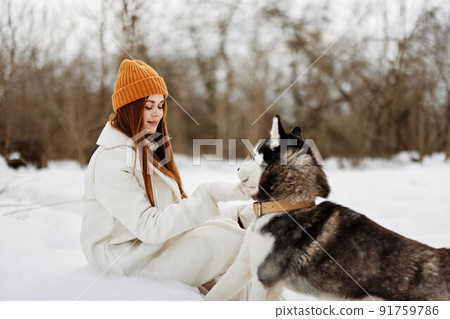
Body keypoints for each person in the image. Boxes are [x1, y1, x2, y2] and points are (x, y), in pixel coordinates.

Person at [80, 59, 253, 299]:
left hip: (153, 249)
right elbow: (150, 227)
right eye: (148, 106)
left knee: (235, 233)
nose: (157, 113)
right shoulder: (112, 160)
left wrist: (237, 214)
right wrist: (210, 195)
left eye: (161, 105)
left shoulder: (145, 149)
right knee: (227, 242)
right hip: (126, 262)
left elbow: (170, 215)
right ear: (129, 107)